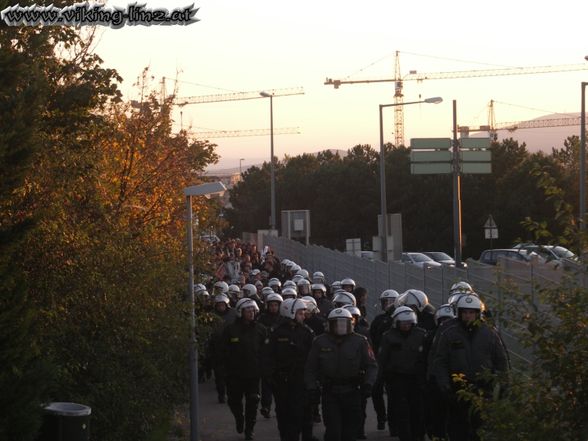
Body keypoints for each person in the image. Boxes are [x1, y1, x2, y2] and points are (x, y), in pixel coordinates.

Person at [431, 294, 509, 441]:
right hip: (457, 390)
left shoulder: (489, 333)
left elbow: (501, 360)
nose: (468, 316)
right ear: (459, 313)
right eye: (465, 312)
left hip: (483, 390)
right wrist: (444, 386)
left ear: (478, 314)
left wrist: (504, 384)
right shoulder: (449, 332)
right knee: (458, 430)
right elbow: (440, 361)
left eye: (471, 312)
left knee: (481, 430)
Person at [304, 308, 378, 441]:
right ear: (330, 325)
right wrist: (311, 387)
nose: (341, 327)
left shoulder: (360, 341)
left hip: (352, 391)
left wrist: (368, 384)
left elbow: (372, 365)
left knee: (350, 431)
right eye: (336, 324)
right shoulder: (320, 341)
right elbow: (310, 368)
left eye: (344, 323)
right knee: (333, 430)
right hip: (330, 391)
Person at [265, 298, 316, 441]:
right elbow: (268, 356)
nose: (303, 316)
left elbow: (313, 356)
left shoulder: (307, 332)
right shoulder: (276, 332)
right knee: (283, 413)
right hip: (282, 381)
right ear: (291, 313)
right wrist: (270, 377)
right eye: (300, 313)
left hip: (301, 380)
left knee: (303, 412)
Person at [219, 298, 268, 440]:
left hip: (253, 374)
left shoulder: (261, 329)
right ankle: (239, 418)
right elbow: (222, 350)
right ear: (241, 312)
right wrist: (222, 370)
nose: (251, 313)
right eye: (248, 310)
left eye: (253, 310)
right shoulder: (231, 329)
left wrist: (265, 369)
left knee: (253, 402)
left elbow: (266, 352)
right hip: (234, 374)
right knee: (234, 401)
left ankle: (249, 429)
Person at [377, 306, 428, 441]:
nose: (406, 326)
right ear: (396, 323)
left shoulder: (421, 335)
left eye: (408, 323)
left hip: (416, 379)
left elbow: (427, 357)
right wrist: (380, 378)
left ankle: (418, 435)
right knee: (402, 411)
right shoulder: (388, 336)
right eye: (403, 323)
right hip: (397, 379)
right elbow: (382, 359)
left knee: (418, 410)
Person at [369, 289, 400, 432]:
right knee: (376, 390)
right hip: (379, 360)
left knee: (394, 394)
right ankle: (381, 417)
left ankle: (394, 422)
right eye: (385, 302)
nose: (387, 305)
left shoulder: (401, 318)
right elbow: (372, 338)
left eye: (390, 302)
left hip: (394, 362)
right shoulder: (379, 320)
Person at [258, 293, 284, 419]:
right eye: (271, 305)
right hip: (267, 354)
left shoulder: (283, 319)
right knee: (266, 382)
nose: (273, 308)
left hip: (280, 355)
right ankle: (266, 406)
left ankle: (281, 407)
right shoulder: (262, 319)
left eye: (276, 305)